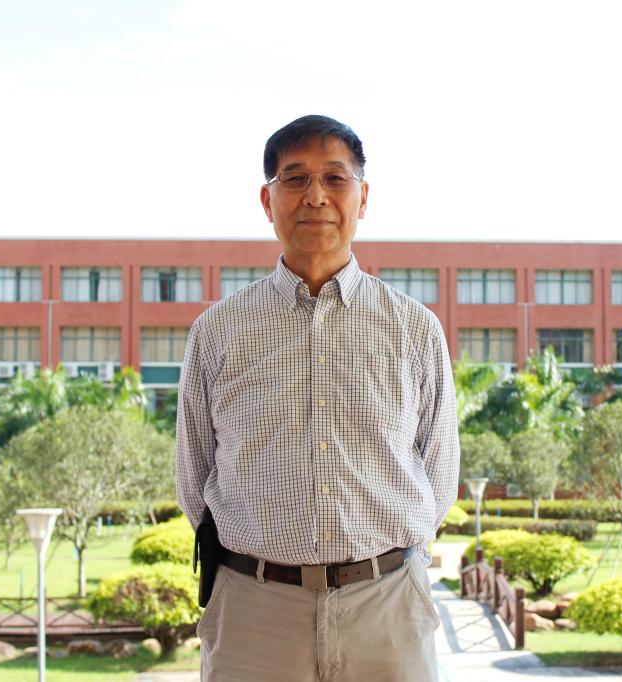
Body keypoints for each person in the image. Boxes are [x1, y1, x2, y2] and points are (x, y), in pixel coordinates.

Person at [176, 114, 459, 682]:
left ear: (362, 197)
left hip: (387, 611)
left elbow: (439, 473)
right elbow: (195, 477)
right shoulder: (218, 331)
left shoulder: (414, 329)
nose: (315, 196)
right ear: (268, 200)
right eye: (295, 178)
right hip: (254, 618)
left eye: (335, 178)